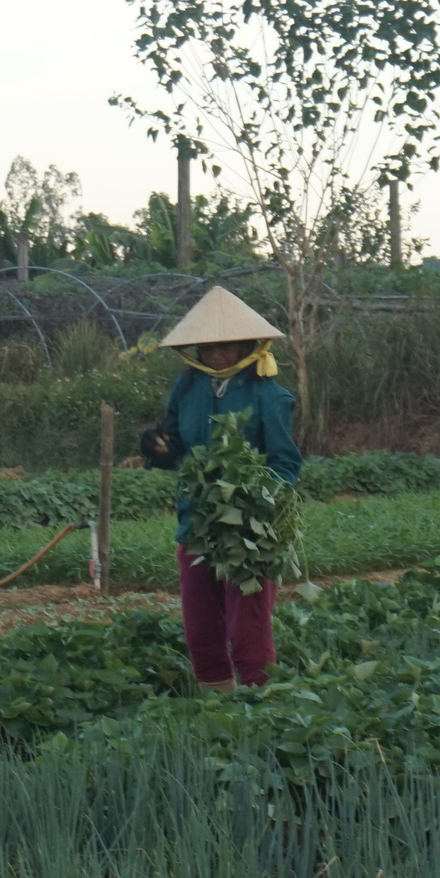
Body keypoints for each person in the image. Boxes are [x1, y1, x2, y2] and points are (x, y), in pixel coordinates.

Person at [139, 287, 302, 691]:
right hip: (196, 521)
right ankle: (217, 702)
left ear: (245, 343)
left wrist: (252, 497)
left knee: (247, 627)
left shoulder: (269, 395)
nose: (213, 353)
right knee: (199, 625)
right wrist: (157, 447)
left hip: (248, 530)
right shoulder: (187, 388)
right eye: (206, 346)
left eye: (223, 345)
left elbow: (285, 464)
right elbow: (175, 446)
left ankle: (260, 702)